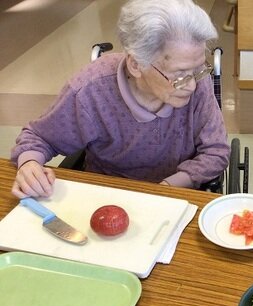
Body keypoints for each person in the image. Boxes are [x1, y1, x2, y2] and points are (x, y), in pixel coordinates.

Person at [11, 0, 230, 198]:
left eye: (198, 69)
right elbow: (40, 138)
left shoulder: (198, 81)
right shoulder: (90, 91)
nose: (192, 85)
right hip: (109, 194)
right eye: (180, 74)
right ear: (136, 65)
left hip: (176, 194)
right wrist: (29, 165)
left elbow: (216, 151)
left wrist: (166, 188)